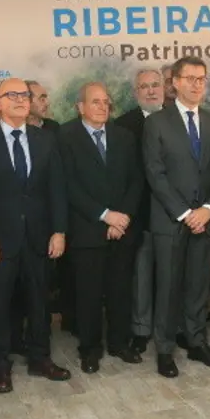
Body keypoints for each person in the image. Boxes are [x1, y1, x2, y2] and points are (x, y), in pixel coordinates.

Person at [0, 78, 70, 393]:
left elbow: (57, 190)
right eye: (12, 95)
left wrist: (59, 231)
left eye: (24, 95)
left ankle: (40, 358)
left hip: (39, 238)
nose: (20, 100)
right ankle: (0, 366)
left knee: (39, 302)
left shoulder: (45, 140)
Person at [142, 56, 210, 378]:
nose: (196, 84)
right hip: (170, 222)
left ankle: (197, 342)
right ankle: (165, 350)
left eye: (201, 79)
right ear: (174, 83)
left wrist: (207, 210)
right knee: (167, 288)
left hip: (203, 222)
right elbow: (156, 174)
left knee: (198, 286)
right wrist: (184, 213)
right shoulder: (156, 123)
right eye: (190, 78)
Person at [59, 82, 144, 373]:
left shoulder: (124, 136)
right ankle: (90, 349)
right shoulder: (65, 136)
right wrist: (105, 215)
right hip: (87, 229)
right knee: (88, 294)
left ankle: (120, 343)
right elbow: (67, 185)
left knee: (120, 290)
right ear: (80, 107)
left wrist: (122, 218)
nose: (102, 107)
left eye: (106, 102)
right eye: (95, 102)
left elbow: (136, 180)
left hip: (122, 229)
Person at [115, 68, 165, 352]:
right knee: (141, 276)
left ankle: (173, 325)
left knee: (173, 275)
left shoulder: (178, 119)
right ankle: (141, 329)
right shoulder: (123, 125)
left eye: (155, 85)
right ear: (136, 93)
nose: (150, 91)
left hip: (175, 213)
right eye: (144, 87)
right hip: (139, 213)